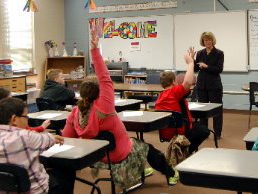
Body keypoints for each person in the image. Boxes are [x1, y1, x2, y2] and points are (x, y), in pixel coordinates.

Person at [62, 26, 179, 190]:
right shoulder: (105, 106)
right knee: (148, 148)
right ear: (101, 92)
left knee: (135, 144)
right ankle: (171, 173)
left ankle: (141, 167)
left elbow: (66, 138)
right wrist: (95, 50)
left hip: (94, 156)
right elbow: (105, 77)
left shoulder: (75, 113)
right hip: (118, 153)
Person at [0, 97, 75, 194]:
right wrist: (54, 138)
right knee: (67, 172)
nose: (27, 120)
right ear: (14, 119)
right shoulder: (26, 137)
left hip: (6, 189)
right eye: (25, 117)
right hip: (35, 191)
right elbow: (47, 140)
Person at [155, 47, 210, 155]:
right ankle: (185, 151)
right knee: (204, 131)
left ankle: (182, 150)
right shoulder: (174, 92)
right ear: (174, 81)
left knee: (195, 125)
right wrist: (190, 63)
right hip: (180, 131)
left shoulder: (161, 96)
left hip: (165, 132)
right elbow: (188, 82)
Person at [194, 31, 224, 139]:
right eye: (205, 40)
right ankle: (204, 132)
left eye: (209, 40)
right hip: (201, 85)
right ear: (203, 41)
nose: (208, 42)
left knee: (217, 110)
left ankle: (218, 133)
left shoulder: (219, 53)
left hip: (214, 86)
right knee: (203, 111)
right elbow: (195, 69)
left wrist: (207, 66)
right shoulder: (200, 53)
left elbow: (219, 69)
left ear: (213, 41)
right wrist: (192, 59)